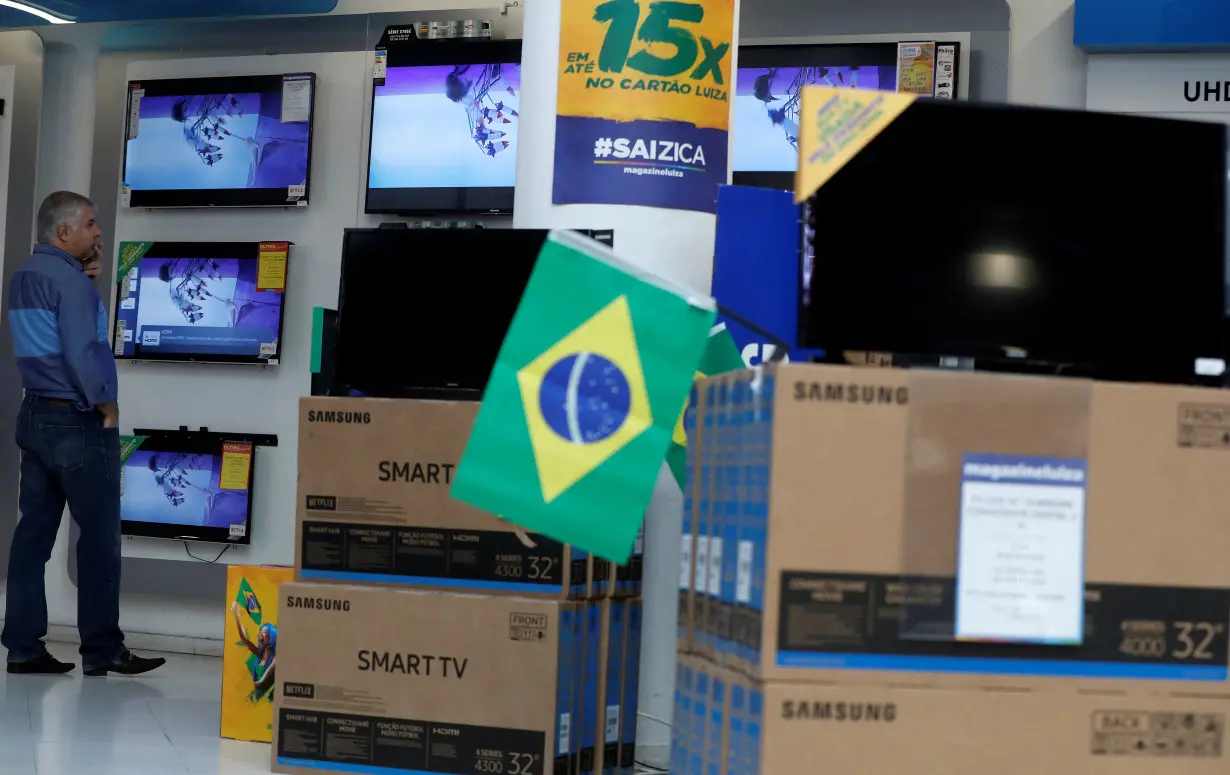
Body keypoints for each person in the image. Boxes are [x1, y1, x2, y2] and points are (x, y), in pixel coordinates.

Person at [2, 191, 165, 677]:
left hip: (34, 416)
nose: (98, 232)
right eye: (90, 224)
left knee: (32, 537)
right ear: (63, 232)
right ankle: (102, 649)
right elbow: (82, 351)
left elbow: (48, 337)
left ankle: (23, 648)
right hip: (76, 421)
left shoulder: (25, 276)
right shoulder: (73, 287)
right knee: (98, 538)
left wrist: (81, 278)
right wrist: (107, 404)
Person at [230, 601, 276, 698]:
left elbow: (261, 682)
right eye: (260, 632)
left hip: (264, 699)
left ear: (271, 636)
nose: (261, 634)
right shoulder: (260, 653)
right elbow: (244, 639)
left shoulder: (275, 659)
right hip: (255, 696)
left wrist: (246, 686)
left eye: (264, 632)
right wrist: (237, 616)